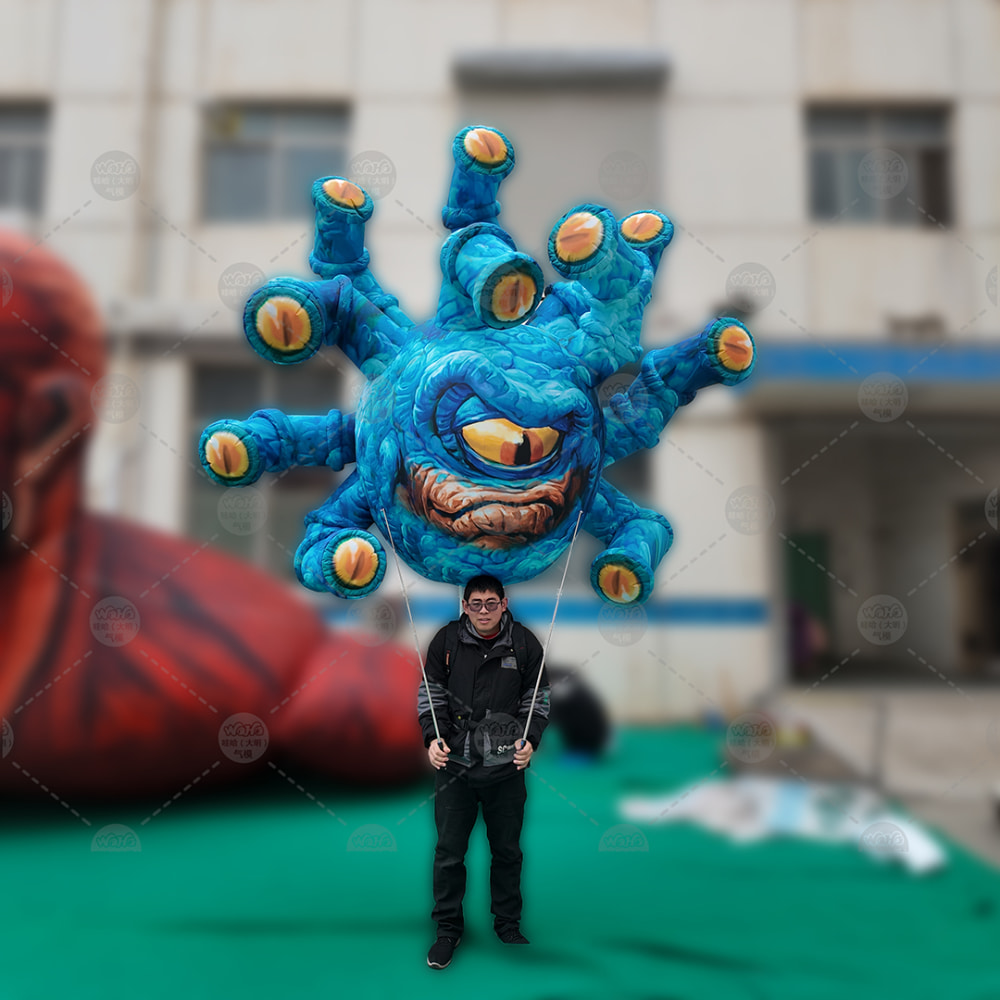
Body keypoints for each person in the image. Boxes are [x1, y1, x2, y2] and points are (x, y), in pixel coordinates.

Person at [418, 574, 550, 970]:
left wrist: (531, 741)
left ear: (504, 604)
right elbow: (430, 694)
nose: (484, 611)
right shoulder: (445, 642)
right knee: (448, 854)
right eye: (476, 604)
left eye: (491, 603)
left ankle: (507, 925)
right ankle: (447, 931)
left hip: (505, 766)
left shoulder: (525, 644)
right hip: (455, 766)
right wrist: (432, 738)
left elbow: (537, 700)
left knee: (507, 852)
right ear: (465, 606)